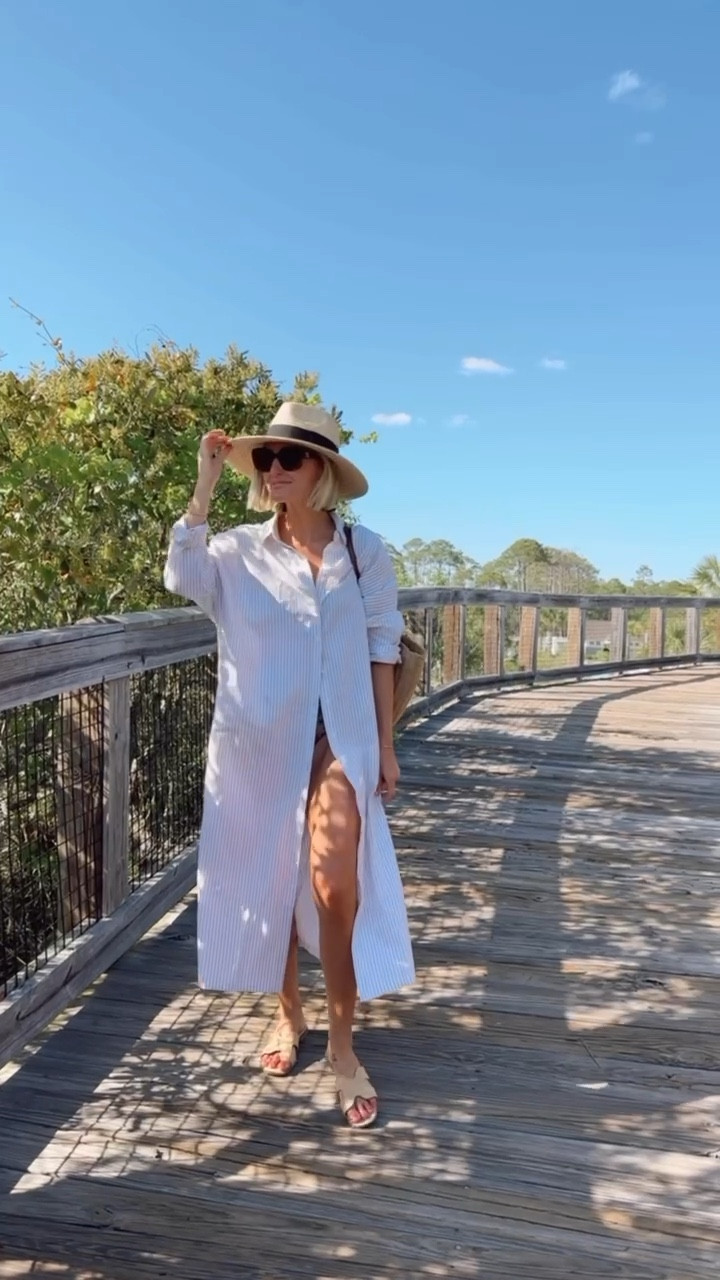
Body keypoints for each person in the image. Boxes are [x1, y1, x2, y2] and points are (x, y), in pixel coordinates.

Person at [164, 401, 415, 1129]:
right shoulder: (237, 551)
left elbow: (383, 647)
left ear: (321, 471)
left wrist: (385, 745)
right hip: (258, 742)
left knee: (335, 885)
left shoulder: (363, 552)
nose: (274, 469)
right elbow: (182, 574)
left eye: (290, 458)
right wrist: (205, 484)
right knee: (271, 873)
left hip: (342, 740)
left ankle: (343, 1043)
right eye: (266, 458)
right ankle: (287, 1012)